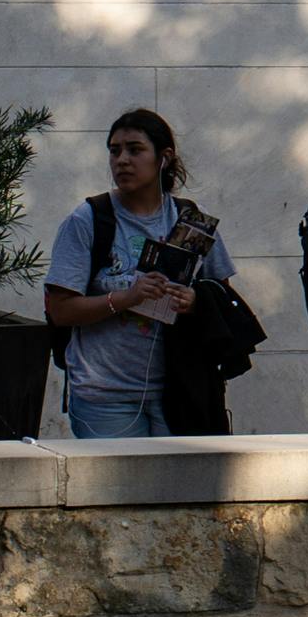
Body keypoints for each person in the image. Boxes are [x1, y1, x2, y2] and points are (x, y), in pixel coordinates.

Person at [42, 108, 230, 440]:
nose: (122, 160)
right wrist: (127, 298)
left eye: (135, 149)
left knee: (180, 491)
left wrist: (195, 301)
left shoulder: (190, 221)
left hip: (181, 391)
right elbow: (60, 310)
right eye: (114, 151)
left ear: (164, 157)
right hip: (104, 396)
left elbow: (222, 294)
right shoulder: (88, 220)